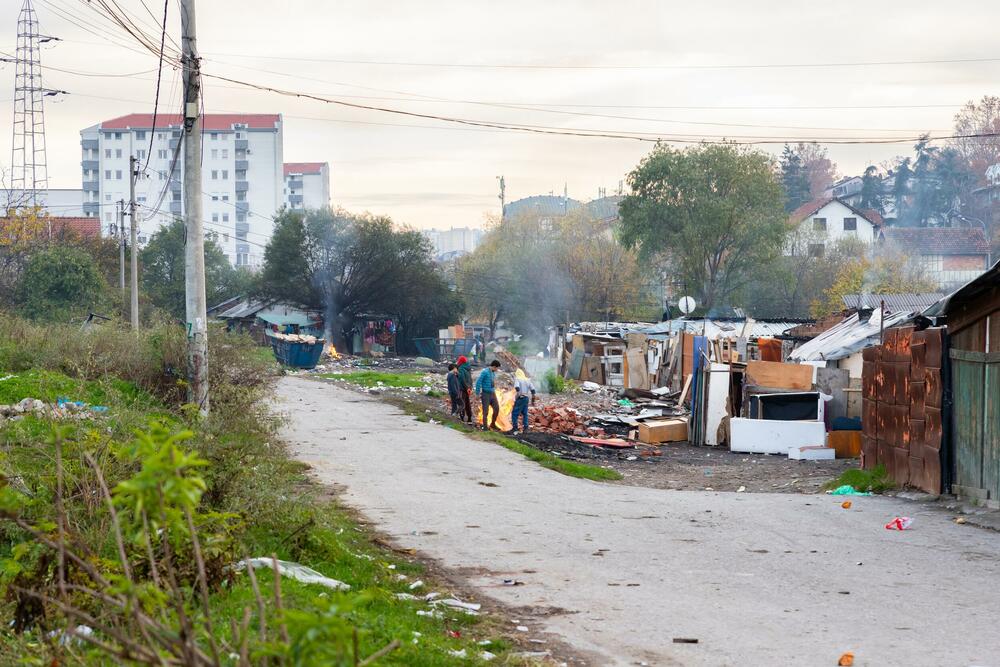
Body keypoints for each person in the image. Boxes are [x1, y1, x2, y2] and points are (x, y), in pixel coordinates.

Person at [475, 359, 502, 430]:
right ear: (494, 366)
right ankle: (485, 427)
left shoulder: (493, 373)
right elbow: (478, 382)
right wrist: (477, 393)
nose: (497, 369)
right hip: (485, 394)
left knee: (496, 408)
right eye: (497, 368)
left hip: (492, 393)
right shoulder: (485, 372)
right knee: (485, 411)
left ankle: (493, 424)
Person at [510, 368, 536, 435]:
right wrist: (533, 400)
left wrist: (518, 394)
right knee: (525, 413)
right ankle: (526, 428)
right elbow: (533, 390)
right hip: (526, 398)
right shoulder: (528, 380)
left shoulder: (517, 379)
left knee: (514, 413)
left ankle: (515, 428)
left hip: (521, 398)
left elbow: (517, 387)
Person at [456, 355, 474, 423]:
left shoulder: (460, 368)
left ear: (460, 361)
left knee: (462, 403)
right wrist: (470, 388)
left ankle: (462, 418)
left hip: (462, 389)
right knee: (467, 403)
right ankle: (469, 419)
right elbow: (470, 380)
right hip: (468, 389)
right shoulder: (468, 368)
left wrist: (466, 388)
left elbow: (462, 379)